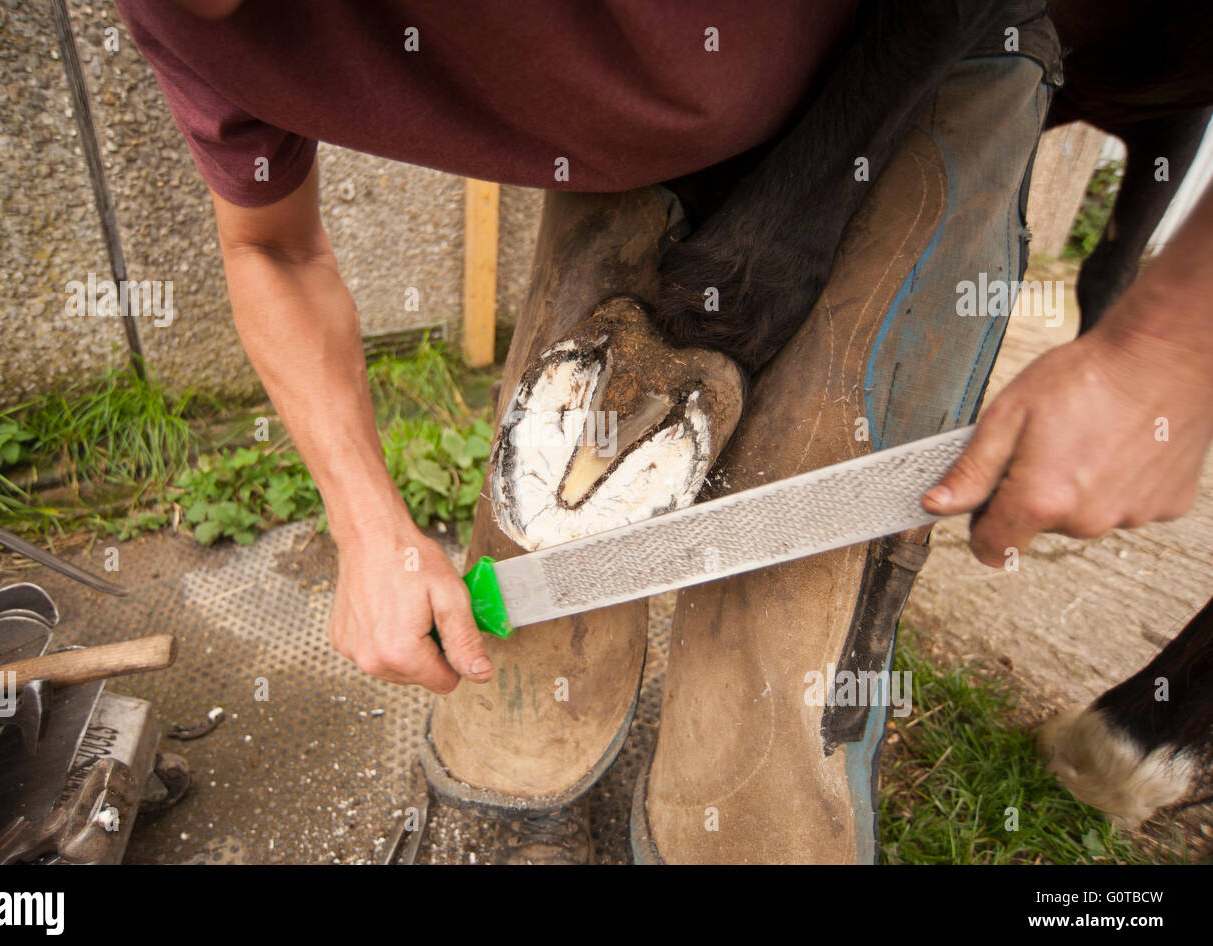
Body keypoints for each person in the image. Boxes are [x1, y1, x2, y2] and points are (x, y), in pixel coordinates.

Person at [115, 0, 1213, 862]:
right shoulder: (187, 23)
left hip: (932, 52)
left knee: (793, 603)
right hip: (637, 150)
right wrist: (362, 520)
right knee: (553, 508)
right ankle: (517, 766)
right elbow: (270, 248)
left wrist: (1173, 344)